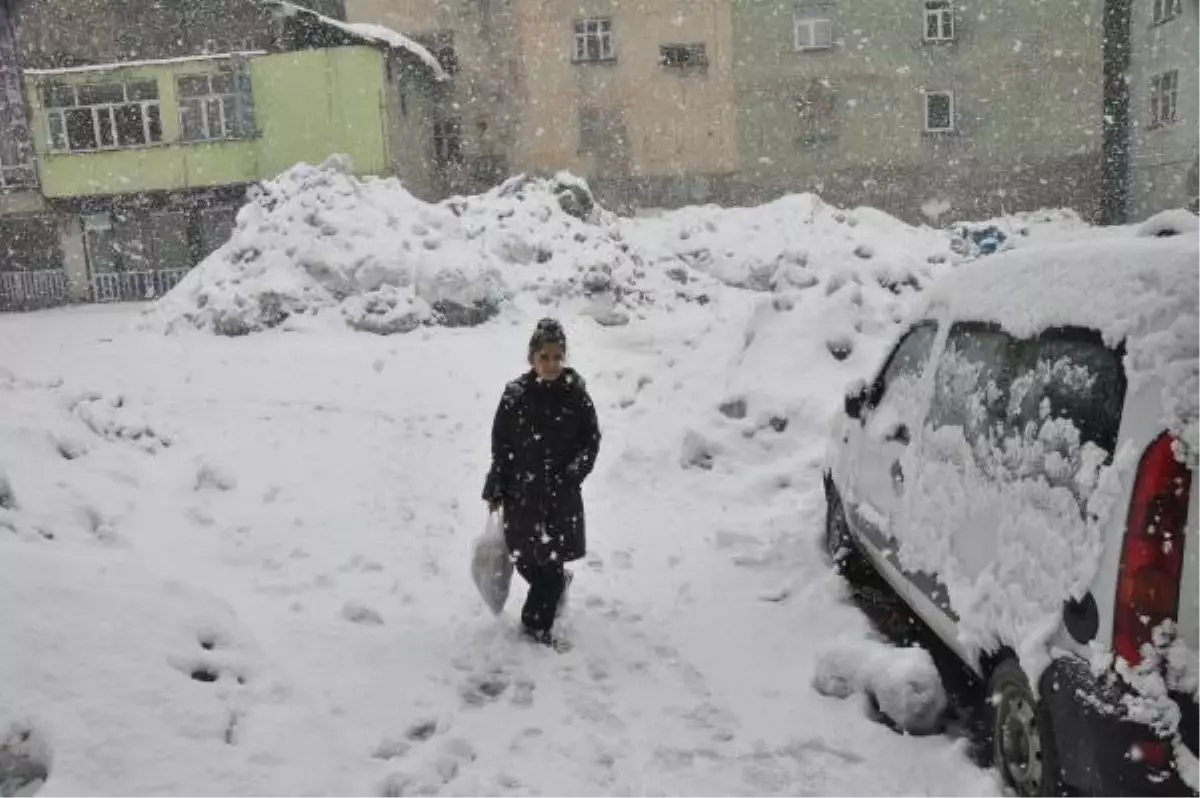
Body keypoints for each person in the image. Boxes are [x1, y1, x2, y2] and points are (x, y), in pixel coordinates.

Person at [482, 318, 601, 647]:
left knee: (548, 567)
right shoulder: (515, 396)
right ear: (532, 357)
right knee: (524, 559)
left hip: (559, 500)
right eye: (543, 357)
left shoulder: (576, 397)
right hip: (522, 496)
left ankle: (534, 628)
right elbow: (501, 445)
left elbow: (590, 442)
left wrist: (571, 475)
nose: (550, 364)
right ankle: (555, 588)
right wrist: (497, 483)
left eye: (556, 357)